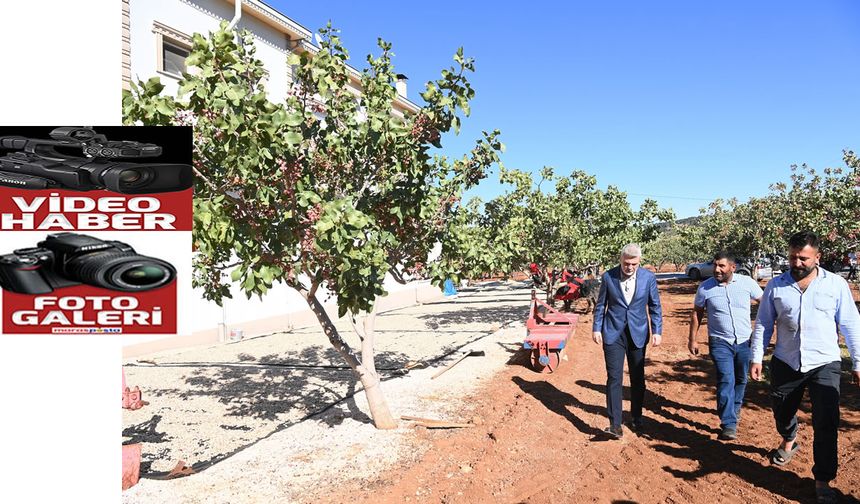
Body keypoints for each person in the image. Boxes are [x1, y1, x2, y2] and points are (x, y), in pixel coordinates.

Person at [750, 231, 860, 504]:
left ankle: (822, 479)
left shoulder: (835, 285)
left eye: (803, 258)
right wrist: (756, 356)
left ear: (817, 257)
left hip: (825, 362)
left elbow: (851, 325)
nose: (796, 263)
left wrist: (858, 362)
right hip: (786, 361)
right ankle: (789, 438)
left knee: (826, 421)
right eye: (792, 257)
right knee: (782, 410)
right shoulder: (776, 285)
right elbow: (764, 323)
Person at [688, 251, 762, 440]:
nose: (717, 269)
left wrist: (762, 326)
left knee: (740, 379)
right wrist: (692, 339)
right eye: (715, 265)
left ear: (732, 267)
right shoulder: (705, 288)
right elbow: (697, 313)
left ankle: (734, 408)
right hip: (720, 341)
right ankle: (728, 423)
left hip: (745, 340)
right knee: (725, 379)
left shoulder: (747, 284)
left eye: (721, 266)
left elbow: (765, 303)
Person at [592, 243, 663, 438]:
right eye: (626, 263)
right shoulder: (608, 277)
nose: (629, 267)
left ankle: (637, 417)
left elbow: (655, 306)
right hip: (613, 333)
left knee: (637, 377)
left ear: (639, 262)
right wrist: (597, 328)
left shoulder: (648, 278)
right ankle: (615, 424)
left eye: (634, 264)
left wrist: (657, 331)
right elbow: (600, 306)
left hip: (637, 333)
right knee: (614, 378)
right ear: (620, 260)